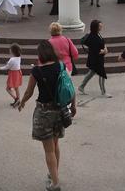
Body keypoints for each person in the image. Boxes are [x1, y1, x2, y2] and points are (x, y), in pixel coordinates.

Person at [17, 40, 77, 191]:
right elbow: (69, 86)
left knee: (49, 150)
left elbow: (29, 92)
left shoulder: (37, 71)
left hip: (44, 112)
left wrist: (22, 102)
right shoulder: (61, 66)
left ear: (40, 54)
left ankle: (55, 184)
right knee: (55, 145)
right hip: (59, 110)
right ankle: (53, 174)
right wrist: (74, 105)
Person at [78, 19, 109, 97]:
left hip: (95, 59)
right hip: (96, 59)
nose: (101, 27)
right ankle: (103, 92)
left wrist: (105, 48)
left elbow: (102, 42)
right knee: (102, 74)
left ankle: (81, 87)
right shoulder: (93, 37)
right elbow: (96, 50)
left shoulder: (97, 34)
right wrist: (104, 51)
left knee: (91, 73)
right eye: (100, 26)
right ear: (96, 27)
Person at [1, 43, 23, 107]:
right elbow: (13, 64)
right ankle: (18, 100)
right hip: (18, 73)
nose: (9, 50)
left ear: (13, 51)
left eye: (10, 49)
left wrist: (0, 68)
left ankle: (16, 99)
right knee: (16, 88)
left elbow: (7, 67)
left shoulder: (12, 59)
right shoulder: (18, 57)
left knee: (8, 88)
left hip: (13, 74)